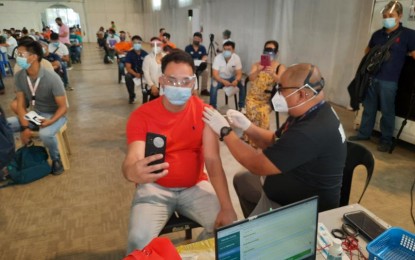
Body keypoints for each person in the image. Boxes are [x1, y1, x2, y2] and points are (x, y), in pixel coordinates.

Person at [122, 50, 237, 253]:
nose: (178, 86)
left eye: (185, 81)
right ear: (161, 81)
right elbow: (134, 157)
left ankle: (190, 256)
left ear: (193, 83)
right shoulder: (142, 115)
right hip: (154, 187)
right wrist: (131, 171)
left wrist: (227, 206)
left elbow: (212, 161)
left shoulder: (205, 113)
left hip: (194, 186)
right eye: (172, 80)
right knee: (138, 241)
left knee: (228, 229)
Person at [203, 63, 347, 216]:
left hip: (302, 211)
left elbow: (256, 164)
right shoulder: (309, 112)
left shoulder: (311, 131)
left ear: (301, 94)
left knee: (248, 182)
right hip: (289, 188)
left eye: (281, 89)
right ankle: (258, 219)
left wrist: (226, 132)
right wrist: (248, 126)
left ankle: (262, 227)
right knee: (243, 180)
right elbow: (275, 139)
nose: (278, 94)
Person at [349, 1, 415, 152]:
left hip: (389, 81)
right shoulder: (377, 34)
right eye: (385, 16)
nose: (387, 18)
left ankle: (386, 140)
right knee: (369, 108)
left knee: (387, 111)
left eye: (391, 16)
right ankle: (364, 133)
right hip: (371, 78)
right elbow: (367, 51)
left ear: (400, 16)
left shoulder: (408, 35)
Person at [7, 40, 68, 175]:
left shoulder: (52, 78)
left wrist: (50, 121)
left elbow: (63, 108)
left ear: (34, 57)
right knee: (5, 125)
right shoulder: (19, 76)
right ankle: (8, 161)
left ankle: (56, 159)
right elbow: (21, 105)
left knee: (45, 134)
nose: (18, 57)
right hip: (35, 115)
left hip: (55, 115)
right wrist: (25, 128)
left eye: (21, 54)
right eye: (18, 53)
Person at [244, 40, 286, 146]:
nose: (268, 52)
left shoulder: (279, 67)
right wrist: (258, 70)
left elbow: (282, 82)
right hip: (252, 97)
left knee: (262, 113)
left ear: (276, 52)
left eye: (271, 50)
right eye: (266, 49)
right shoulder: (257, 64)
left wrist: (273, 74)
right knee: (252, 110)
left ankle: (262, 139)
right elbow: (251, 78)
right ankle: (251, 137)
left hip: (267, 99)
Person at [209, 41, 246, 112]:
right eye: (225, 49)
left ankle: (242, 106)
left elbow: (239, 73)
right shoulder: (218, 58)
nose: (226, 51)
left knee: (242, 82)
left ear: (233, 50)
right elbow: (215, 74)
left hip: (231, 78)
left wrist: (236, 80)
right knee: (214, 83)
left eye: (229, 50)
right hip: (220, 79)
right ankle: (212, 107)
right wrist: (223, 81)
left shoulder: (236, 58)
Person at [124, 35, 148, 104]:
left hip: (144, 73)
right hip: (134, 73)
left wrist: (143, 73)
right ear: (132, 44)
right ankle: (132, 96)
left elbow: (148, 66)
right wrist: (135, 74)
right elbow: (128, 68)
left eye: (139, 43)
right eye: (135, 43)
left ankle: (147, 95)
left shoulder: (145, 54)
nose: (137, 44)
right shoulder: (129, 54)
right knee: (127, 76)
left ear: (141, 43)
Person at [142, 37, 164, 102]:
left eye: (158, 45)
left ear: (161, 45)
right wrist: (152, 85)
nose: (156, 47)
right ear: (151, 46)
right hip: (153, 85)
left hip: (165, 86)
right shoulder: (147, 58)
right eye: (153, 45)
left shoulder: (166, 57)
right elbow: (146, 73)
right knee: (155, 101)